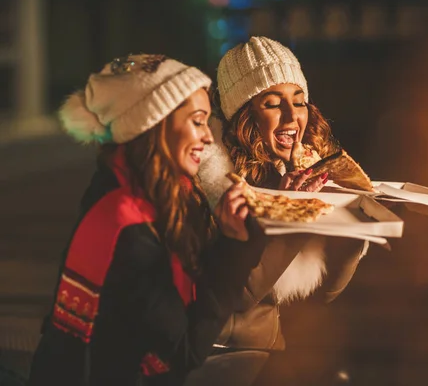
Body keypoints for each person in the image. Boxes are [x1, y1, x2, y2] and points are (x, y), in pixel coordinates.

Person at [26, 54, 268, 386]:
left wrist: (231, 233)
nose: (209, 137)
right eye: (198, 121)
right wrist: (236, 247)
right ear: (154, 124)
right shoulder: (125, 225)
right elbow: (184, 350)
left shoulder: (158, 194)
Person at [188, 36, 371, 384]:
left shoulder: (293, 172)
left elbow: (320, 294)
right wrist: (290, 215)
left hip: (268, 352)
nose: (292, 116)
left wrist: (352, 235)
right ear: (243, 115)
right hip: (215, 356)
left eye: (299, 102)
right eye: (272, 103)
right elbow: (239, 294)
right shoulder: (212, 182)